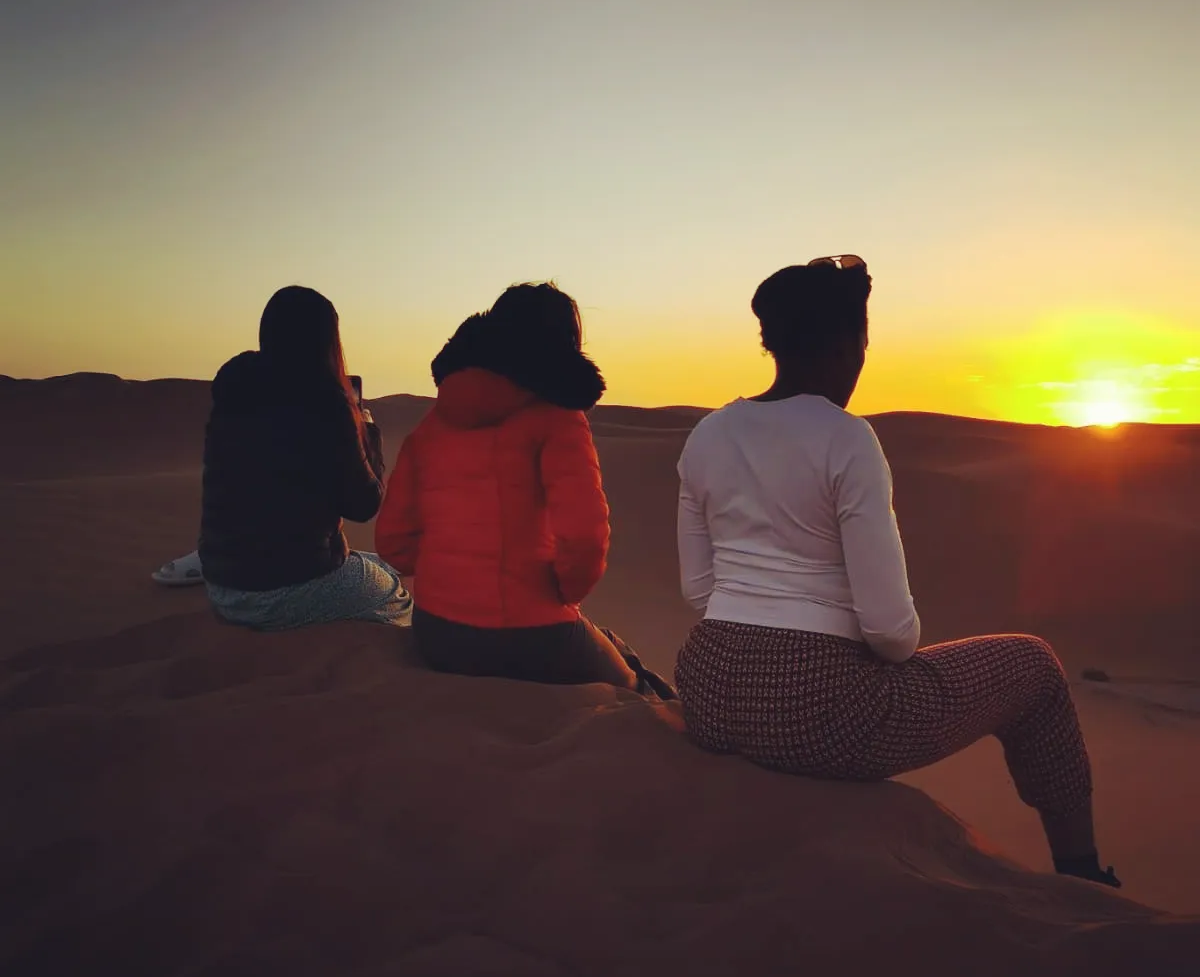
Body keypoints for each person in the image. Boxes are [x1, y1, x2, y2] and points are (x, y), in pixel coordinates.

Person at [674, 257, 1119, 887]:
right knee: (1034, 666)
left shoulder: (708, 434)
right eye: (863, 340)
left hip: (709, 692)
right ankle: (1085, 878)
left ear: (772, 340)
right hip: (823, 713)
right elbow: (890, 630)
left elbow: (699, 589)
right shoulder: (847, 439)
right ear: (846, 344)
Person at [375, 282, 674, 699]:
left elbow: (393, 539)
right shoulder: (558, 419)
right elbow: (586, 536)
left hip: (437, 633)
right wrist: (559, 595)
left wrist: (445, 580)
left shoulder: (431, 425)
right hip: (531, 636)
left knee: (606, 641)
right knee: (634, 687)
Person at [196, 285, 412, 630]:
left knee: (380, 566)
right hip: (285, 591)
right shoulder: (325, 402)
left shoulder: (233, 394)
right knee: (396, 596)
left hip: (222, 588)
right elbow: (364, 505)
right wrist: (367, 432)